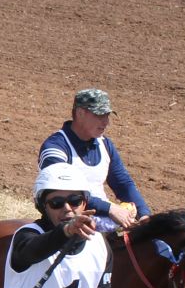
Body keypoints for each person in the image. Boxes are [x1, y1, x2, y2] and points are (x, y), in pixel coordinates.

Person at [38, 88, 150, 230]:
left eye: (107, 115)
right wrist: (110, 209)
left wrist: (144, 214)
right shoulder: (55, 147)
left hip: (101, 220)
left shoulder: (105, 144)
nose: (106, 122)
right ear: (80, 113)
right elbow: (63, 192)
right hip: (64, 225)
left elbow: (123, 184)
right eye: (99, 115)